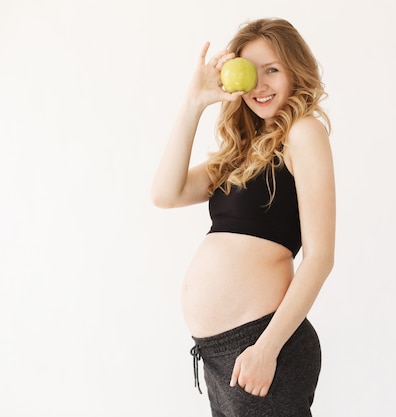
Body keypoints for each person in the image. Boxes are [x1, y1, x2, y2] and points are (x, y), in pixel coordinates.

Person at [151, 17, 335, 417]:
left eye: (274, 69)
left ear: (295, 69)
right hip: (221, 354)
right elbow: (165, 194)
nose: (262, 85)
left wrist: (267, 348)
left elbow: (320, 258)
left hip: (263, 344)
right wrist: (194, 102)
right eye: (253, 72)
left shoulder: (303, 133)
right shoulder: (241, 153)